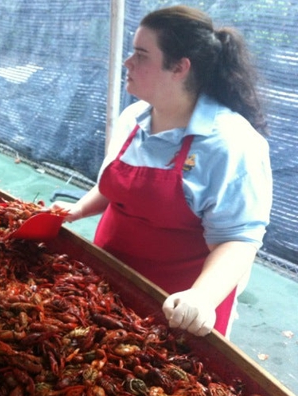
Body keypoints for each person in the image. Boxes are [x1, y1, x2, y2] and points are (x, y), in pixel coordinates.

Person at [52, 5, 272, 338]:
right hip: (107, 279)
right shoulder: (133, 119)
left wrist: (201, 298)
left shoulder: (230, 143)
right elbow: (114, 187)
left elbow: (238, 241)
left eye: (141, 55)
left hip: (176, 305)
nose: (128, 63)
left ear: (180, 67)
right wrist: (78, 209)